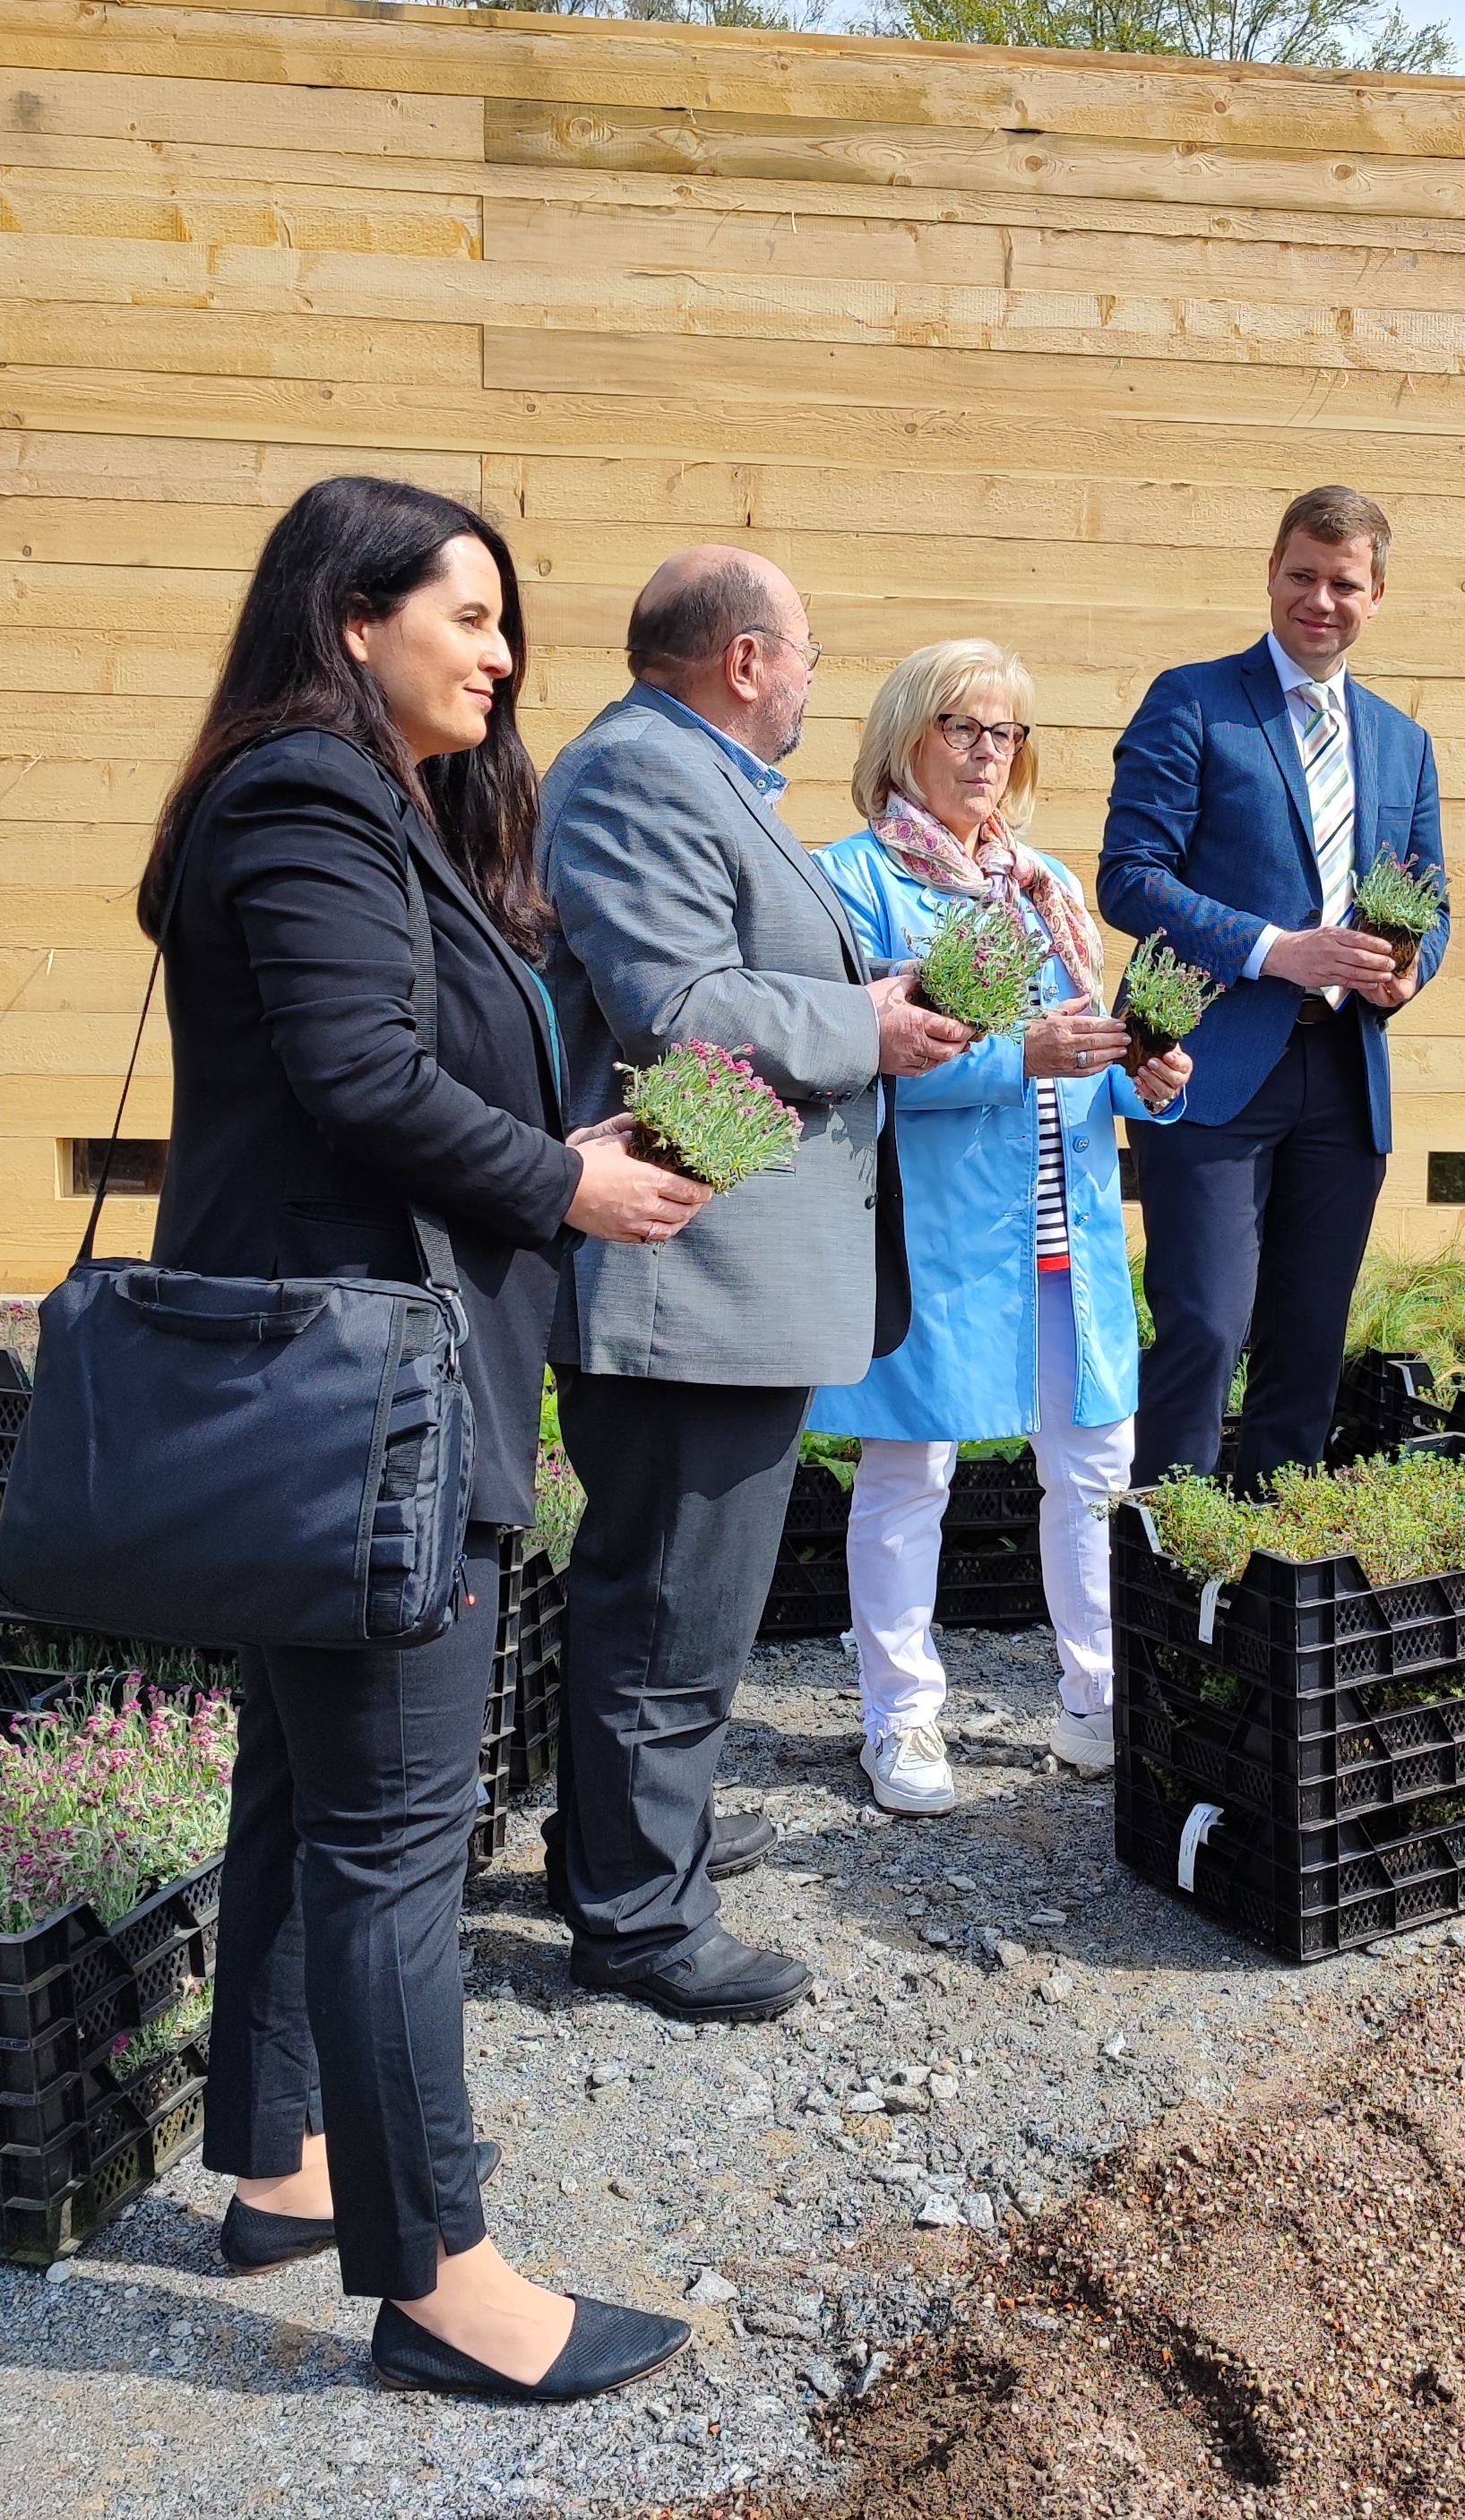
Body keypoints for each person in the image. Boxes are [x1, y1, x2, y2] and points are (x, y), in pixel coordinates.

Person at [143, 475, 711, 2404]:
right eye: (468, 617)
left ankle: (282, 2161)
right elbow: (359, 1078)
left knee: (307, 1793)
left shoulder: (355, 802)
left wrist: (561, 1148)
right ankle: (442, 2281)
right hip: (367, 1402)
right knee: (394, 1835)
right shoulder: (306, 799)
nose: (502, 655)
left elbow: (380, 1077)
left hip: (337, 1393)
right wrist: (564, 1185)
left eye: (504, 622)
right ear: (351, 618)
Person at [539, 546, 971, 2021]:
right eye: (806, 656)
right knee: (670, 1607)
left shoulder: (697, 777)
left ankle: (624, 1847)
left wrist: (876, 1016)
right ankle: (637, 1920)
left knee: (682, 1597)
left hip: (722, 1276)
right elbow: (678, 1006)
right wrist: (866, 1021)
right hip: (688, 1280)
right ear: (743, 659)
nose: (808, 685)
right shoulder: (638, 774)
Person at [806, 641, 1193, 1817]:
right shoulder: (852, 883)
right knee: (909, 1468)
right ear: (906, 737)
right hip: (940, 1231)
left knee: (1096, 1469)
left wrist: (1145, 1080)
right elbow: (851, 1065)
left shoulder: (1046, 885)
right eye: (963, 727)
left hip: (1065, 1229)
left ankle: (1095, 1700)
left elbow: (1085, 1054)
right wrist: (1015, 1057)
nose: (987, 752)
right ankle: (901, 1717)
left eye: (1006, 732)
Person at [1099, 486, 1446, 1484]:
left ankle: (1273, 1560)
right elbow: (1129, 878)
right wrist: (1271, 948)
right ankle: (1165, 1550)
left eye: (1344, 583)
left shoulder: (1403, 742)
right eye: (1302, 575)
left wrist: (1406, 970)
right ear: (1271, 574)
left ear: (1376, 595)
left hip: (1344, 1072)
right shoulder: (1192, 701)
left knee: (1308, 1342)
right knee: (1207, 1327)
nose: (1320, 600)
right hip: (1208, 1061)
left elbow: (1431, 901)